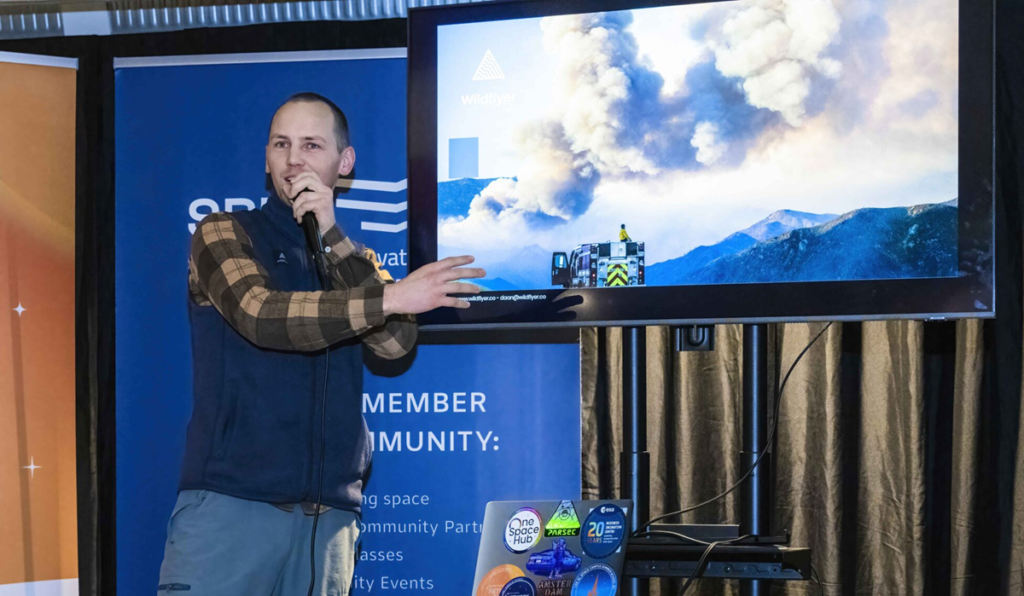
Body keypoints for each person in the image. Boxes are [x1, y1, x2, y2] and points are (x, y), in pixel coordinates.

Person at [157, 92, 484, 595]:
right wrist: (394, 295)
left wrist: (333, 238)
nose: (294, 159)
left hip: (329, 521)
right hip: (230, 507)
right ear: (266, 157)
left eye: (311, 145)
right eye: (281, 144)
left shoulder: (356, 259)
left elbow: (395, 346)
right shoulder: (223, 230)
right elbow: (261, 315)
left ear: (343, 162)